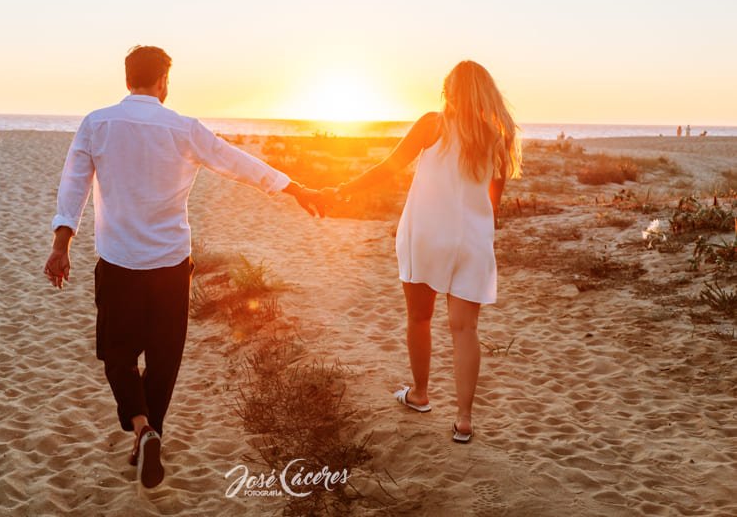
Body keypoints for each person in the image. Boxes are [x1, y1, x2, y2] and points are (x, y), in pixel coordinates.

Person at [43, 45, 326, 488]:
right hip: (171, 266)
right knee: (163, 359)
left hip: (118, 262)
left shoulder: (96, 123)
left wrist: (62, 244)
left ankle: (142, 429)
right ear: (163, 83)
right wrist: (294, 187)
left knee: (117, 356)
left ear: (127, 79)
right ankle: (150, 431)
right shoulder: (184, 128)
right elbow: (237, 163)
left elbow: (74, 185)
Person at [324, 60, 521, 443]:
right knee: (465, 329)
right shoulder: (496, 139)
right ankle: (464, 420)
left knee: (419, 317)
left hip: (426, 235)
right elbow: (492, 204)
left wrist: (345, 188)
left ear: (449, 91)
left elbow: (390, 166)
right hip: (473, 241)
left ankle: (420, 394)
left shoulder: (433, 124)